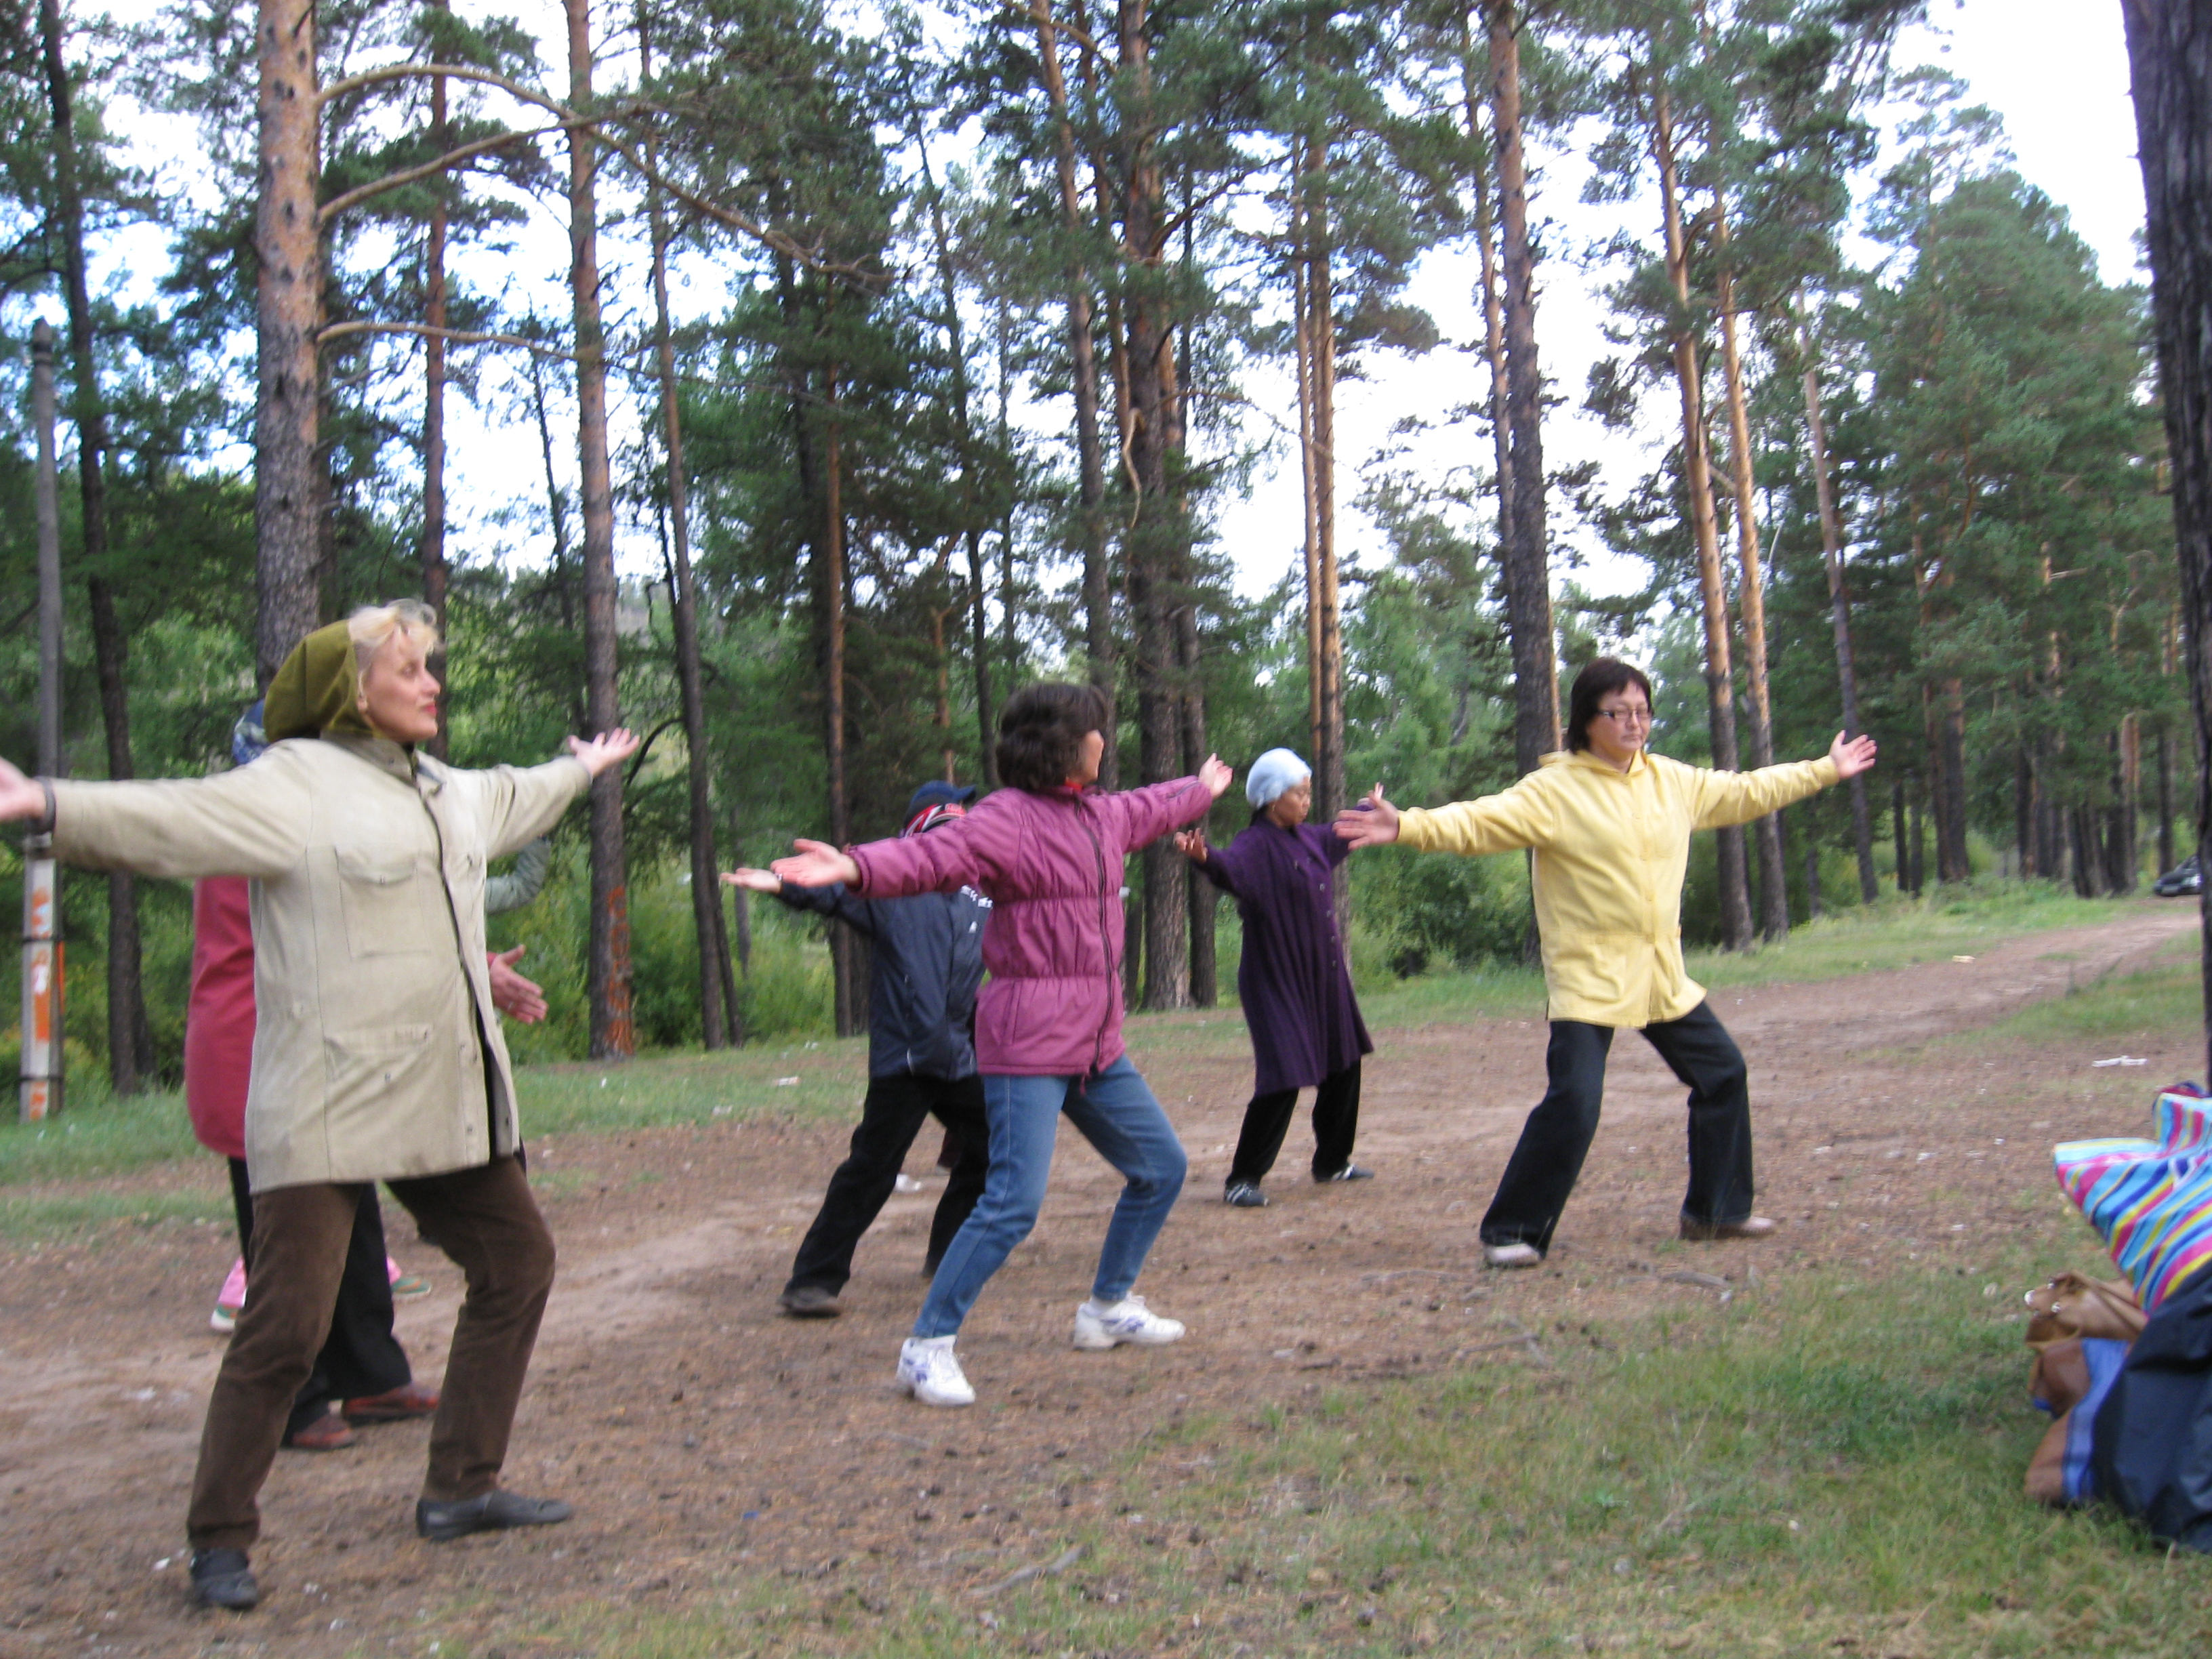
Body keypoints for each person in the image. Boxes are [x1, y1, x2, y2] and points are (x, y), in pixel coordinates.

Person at [0, 600, 637, 1612]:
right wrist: (45, 801)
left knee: (518, 1262)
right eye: (409, 669)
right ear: (353, 691)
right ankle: (219, 1538)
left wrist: (586, 768)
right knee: (287, 1328)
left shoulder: (445, 789)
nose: (432, 683)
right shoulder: (290, 784)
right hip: (326, 1104)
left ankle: (462, 1487)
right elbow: (171, 818)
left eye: (430, 667)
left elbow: (522, 793)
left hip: (437, 1097)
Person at [771, 683, 1231, 1408]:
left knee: (1161, 1168)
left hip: (1096, 1043)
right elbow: (931, 857)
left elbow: (1152, 807)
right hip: (1027, 1042)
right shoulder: (1005, 820)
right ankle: (926, 1348)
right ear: (1063, 746)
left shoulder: (1100, 815)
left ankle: (1107, 1307)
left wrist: (1199, 790)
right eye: (1095, 731)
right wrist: (855, 866)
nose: (1103, 742)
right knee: (1013, 1202)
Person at [1336, 657, 1877, 1269]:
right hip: (1589, 976)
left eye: (1642, 711)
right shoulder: (1556, 790)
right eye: (1618, 712)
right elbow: (1479, 822)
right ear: (1586, 721)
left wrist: (1825, 770)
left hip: (1659, 974)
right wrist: (1408, 825)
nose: (1633, 723)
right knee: (1575, 1101)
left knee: (1723, 1073)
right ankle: (1513, 1230)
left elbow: (1748, 790)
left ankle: (1716, 1212)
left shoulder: (1672, 782)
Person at [722, 779, 991, 1319]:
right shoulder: (891, 890)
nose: (964, 824)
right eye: (954, 816)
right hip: (906, 1061)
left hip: (958, 1058)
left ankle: (948, 1254)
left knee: (993, 1144)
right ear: (928, 825)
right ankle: (812, 1282)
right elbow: (830, 891)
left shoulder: (979, 892)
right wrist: (781, 884)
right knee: (871, 1170)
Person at [1176, 747, 1373, 1207]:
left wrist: (1368, 810)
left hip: (1322, 978)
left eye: (1308, 792)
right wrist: (1205, 858)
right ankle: (1243, 1179)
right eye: (1298, 793)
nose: (1307, 800)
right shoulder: (1255, 845)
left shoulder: (1309, 838)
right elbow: (1230, 868)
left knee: (1344, 1062)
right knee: (1285, 1074)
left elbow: (1340, 833)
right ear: (1270, 798)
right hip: (1276, 980)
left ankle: (1333, 1162)